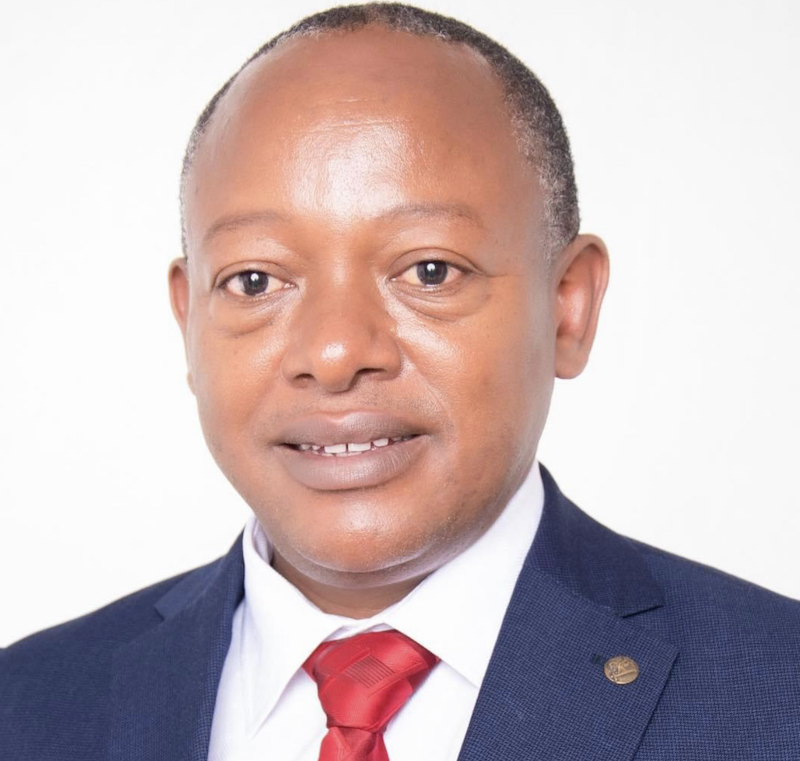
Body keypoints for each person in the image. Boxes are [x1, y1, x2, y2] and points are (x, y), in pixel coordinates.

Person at [1, 4, 798, 759]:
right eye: (254, 281)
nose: (335, 352)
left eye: (429, 270)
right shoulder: (28, 706)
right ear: (189, 320)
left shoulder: (774, 697)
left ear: (567, 305)